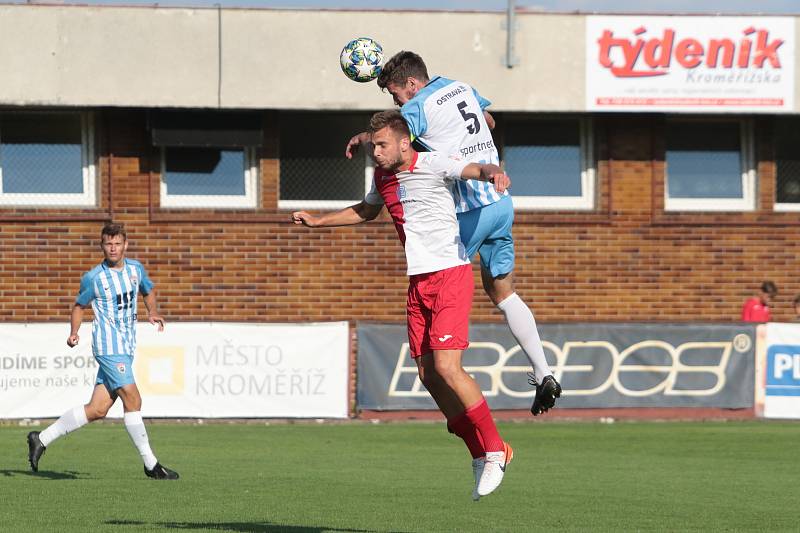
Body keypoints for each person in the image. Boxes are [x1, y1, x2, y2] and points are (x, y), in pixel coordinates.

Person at [295, 110, 511, 500]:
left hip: (450, 272)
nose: (374, 152)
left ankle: (496, 449)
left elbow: (474, 167)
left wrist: (493, 172)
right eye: (372, 145)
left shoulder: (432, 162)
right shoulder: (383, 176)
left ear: (403, 142)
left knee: (447, 367)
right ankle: (478, 452)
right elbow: (366, 210)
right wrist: (318, 222)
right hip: (418, 280)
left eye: (380, 145)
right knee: (429, 375)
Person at [346, 51, 560, 416]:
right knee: (502, 292)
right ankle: (544, 373)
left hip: (469, 210)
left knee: (442, 277)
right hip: (501, 203)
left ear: (412, 85)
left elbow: (394, 135)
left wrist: (364, 136)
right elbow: (488, 120)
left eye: (396, 95)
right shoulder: (458, 86)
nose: (397, 102)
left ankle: (450, 372)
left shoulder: (417, 107)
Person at [26, 223, 178, 480]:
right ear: (102, 246)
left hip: (126, 346)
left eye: (117, 243)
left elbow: (148, 291)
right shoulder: (94, 277)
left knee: (97, 409)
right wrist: (74, 332)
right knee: (133, 399)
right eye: (108, 244)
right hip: (108, 347)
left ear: (125, 245)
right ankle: (151, 465)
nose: (113, 248)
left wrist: (152, 311)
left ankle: (40, 438)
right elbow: (78, 306)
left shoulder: (135, 270)